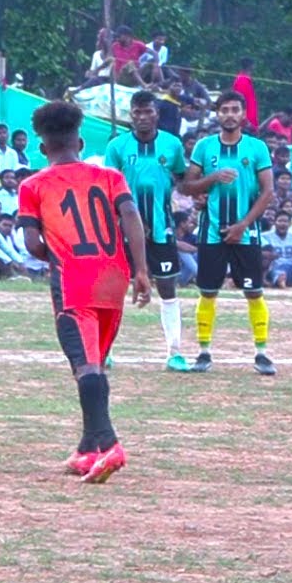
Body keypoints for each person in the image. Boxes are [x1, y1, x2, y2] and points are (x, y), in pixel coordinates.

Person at [18, 100, 152, 483]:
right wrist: (141, 271)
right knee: (93, 363)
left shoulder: (34, 185)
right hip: (114, 279)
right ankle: (87, 449)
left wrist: (55, 252)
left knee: (87, 367)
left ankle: (109, 444)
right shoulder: (109, 177)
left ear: (42, 149)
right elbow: (130, 216)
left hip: (74, 282)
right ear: (79, 140)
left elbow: (32, 244)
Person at [179, 90, 276, 375]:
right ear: (217, 114)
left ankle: (261, 353)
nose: (230, 114)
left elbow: (268, 191)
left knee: (254, 292)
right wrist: (212, 178)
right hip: (211, 232)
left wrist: (243, 224)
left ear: (243, 115)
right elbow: (186, 187)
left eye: (235, 109)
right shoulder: (204, 147)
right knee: (208, 292)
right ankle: (204, 352)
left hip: (247, 233)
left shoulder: (257, 148)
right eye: (225, 110)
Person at [104, 91, 190, 372]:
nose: (142, 117)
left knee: (167, 286)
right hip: (123, 229)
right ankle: (106, 350)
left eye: (148, 112)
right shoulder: (117, 146)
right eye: (137, 112)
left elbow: (180, 178)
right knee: (114, 289)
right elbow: (108, 187)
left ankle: (174, 352)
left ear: (157, 114)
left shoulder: (172, 144)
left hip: (161, 228)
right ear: (131, 114)